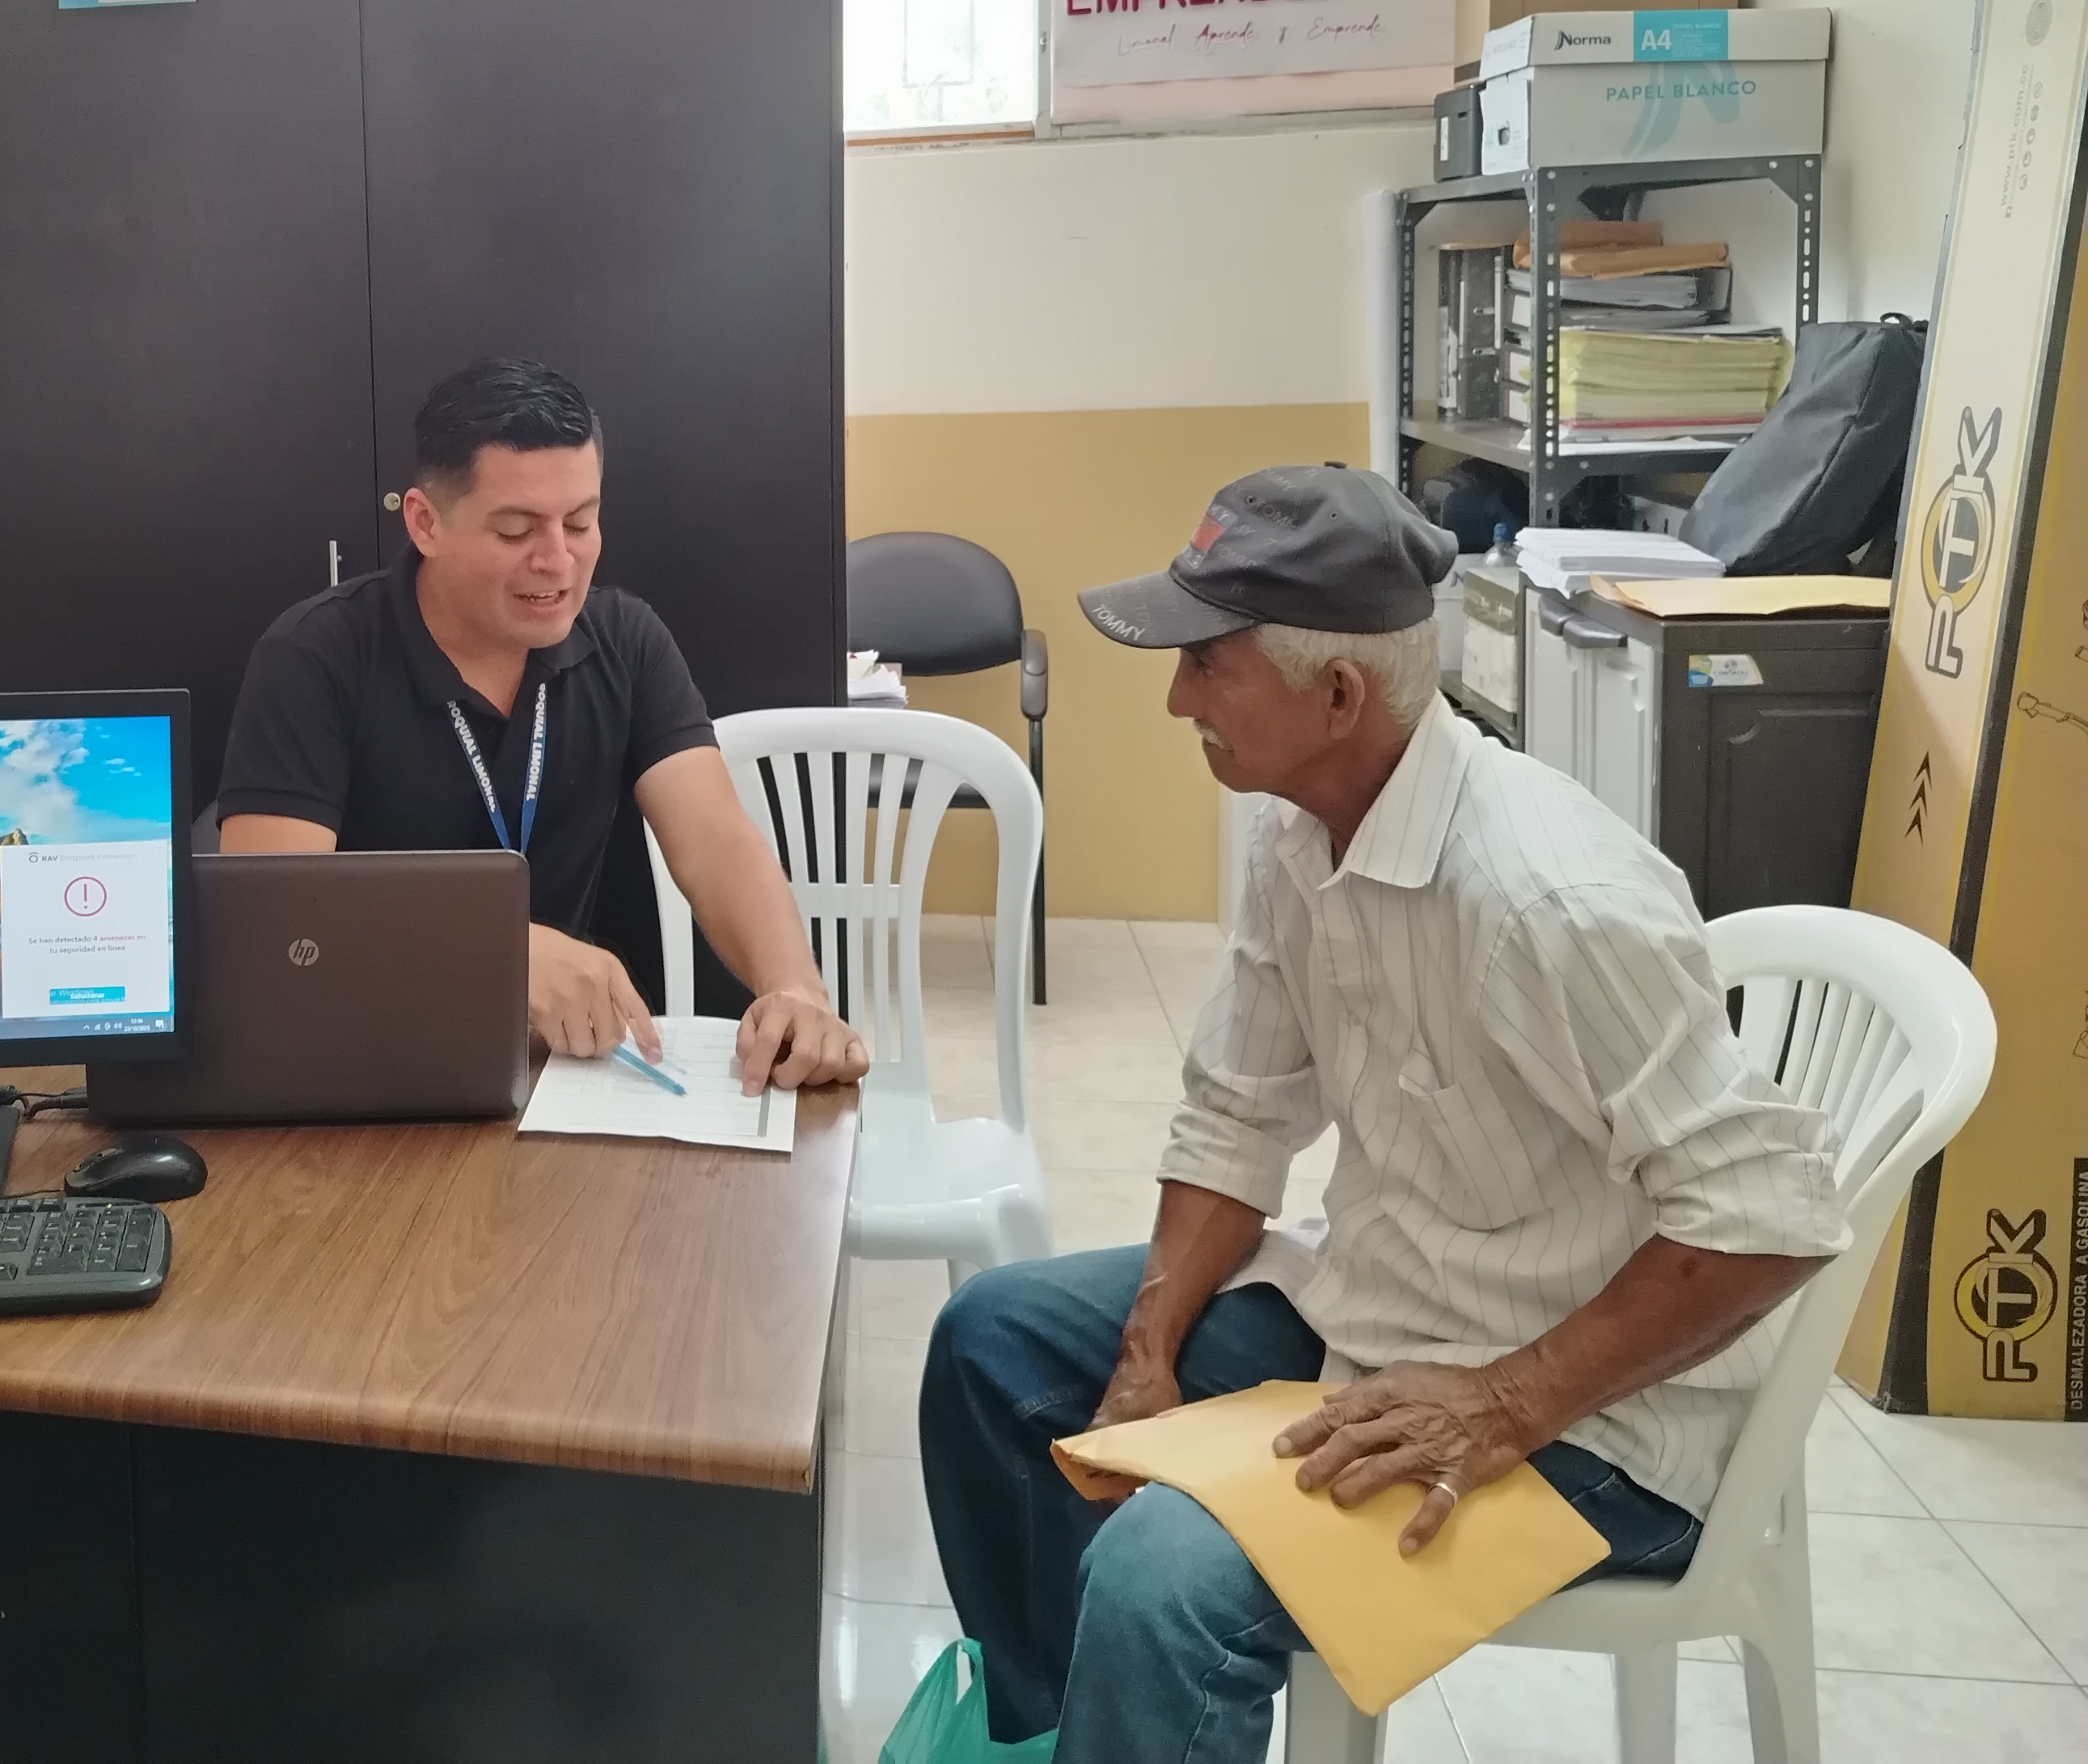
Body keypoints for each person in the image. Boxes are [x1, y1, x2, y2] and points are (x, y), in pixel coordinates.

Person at [918, 464, 1845, 1762]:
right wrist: (1146, 1352)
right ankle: (1059, 1734)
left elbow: (1771, 1219)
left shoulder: (1547, 901)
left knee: (1163, 1576)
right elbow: (1238, 1114)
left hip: (1603, 1422)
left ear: (1339, 696)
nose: (1178, 699)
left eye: (1208, 666)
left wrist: (1504, 1402)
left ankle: (1130, 1709)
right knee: (994, 1344)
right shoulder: (1298, 831)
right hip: (1384, 1313)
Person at [217, 355, 867, 1095]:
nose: (558, 560)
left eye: (581, 522)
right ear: (426, 523)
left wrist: (795, 989)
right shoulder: (316, 656)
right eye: (516, 530)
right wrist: (495, 950)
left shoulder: (625, 641)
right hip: (367, 1065)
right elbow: (276, 914)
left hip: (554, 1072)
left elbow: (716, 839)